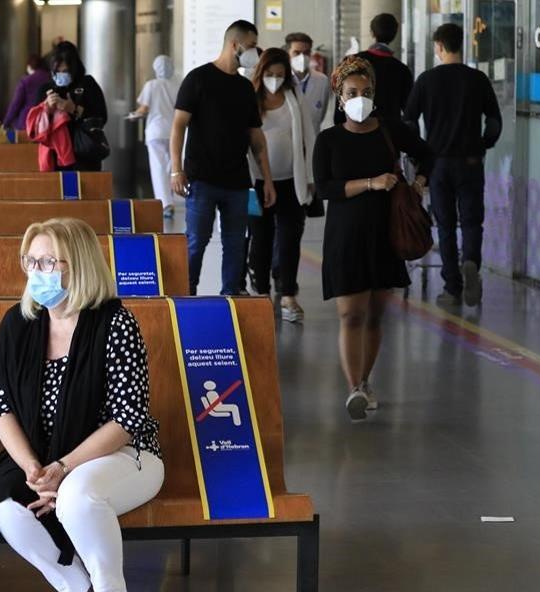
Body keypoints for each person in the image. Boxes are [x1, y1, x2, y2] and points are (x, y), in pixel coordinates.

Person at [0, 218, 163, 592]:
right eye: (32, 261)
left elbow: (126, 418)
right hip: (44, 458)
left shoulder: (115, 324)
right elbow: (0, 408)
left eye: (48, 261)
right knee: (8, 507)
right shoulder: (18, 324)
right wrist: (33, 468)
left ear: (77, 265)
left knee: (78, 494)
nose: (37, 271)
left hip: (123, 456)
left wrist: (63, 469)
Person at [313, 56, 432, 420]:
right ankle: (353, 389)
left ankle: (365, 381)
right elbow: (325, 188)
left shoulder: (390, 130)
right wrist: (371, 183)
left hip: (386, 233)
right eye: (351, 92)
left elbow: (426, 153)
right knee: (351, 314)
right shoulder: (329, 140)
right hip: (345, 235)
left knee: (376, 315)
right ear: (339, 96)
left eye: (365, 92)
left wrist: (418, 183)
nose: (359, 98)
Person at [170, 19, 276, 295]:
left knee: (235, 241)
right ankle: (187, 291)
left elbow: (256, 137)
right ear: (235, 44)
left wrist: (267, 179)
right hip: (202, 178)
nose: (255, 52)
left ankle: (231, 294)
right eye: (252, 46)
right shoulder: (198, 79)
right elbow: (178, 125)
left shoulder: (244, 88)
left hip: (237, 181)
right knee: (197, 240)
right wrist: (176, 170)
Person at [404, 23, 502, 308]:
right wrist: (483, 144)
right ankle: (470, 261)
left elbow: (409, 121)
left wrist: (418, 152)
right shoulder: (478, 79)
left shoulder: (426, 80)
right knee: (472, 221)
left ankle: (452, 288)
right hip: (470, 162)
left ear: (439, 46)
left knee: (445, 225)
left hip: (438, 164)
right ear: (463, 44)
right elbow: (495, 121)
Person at [246, 48, 315, 323]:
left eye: (279, 75)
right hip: (258, 182)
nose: (274, 79)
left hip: (291, 181)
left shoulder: (294, 98)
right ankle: (261, 292)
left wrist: (310, 179)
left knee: (289, 239)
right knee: (259, 240)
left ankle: (288, 293)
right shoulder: (250, 99)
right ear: (260, 73)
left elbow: (309, 135)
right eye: (269, 74)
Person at [33, 41, 108, 171]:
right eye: (58, 71)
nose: (61, 75)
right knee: (57, 190)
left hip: (84, 155)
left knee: (82, 190)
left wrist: (74, 109)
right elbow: (35, 127)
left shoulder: (88, 85)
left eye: (66, 71)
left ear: (75, 68)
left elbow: (101, 117)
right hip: (55, 158)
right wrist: (47, 111)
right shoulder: (45, 90)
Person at [332, 13, 413, 125]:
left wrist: (339, 127)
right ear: (395, 33)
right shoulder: (402, 70)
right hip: (389, 133)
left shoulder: (352, 62)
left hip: (353, 129)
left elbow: (339, 99)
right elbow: (408, 110)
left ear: (371, 33)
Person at [129, 54, 180, 218]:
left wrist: (132, 115)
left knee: (158, 168)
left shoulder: (151, 85)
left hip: (155, 132)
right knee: (170, 168)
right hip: (173, 132)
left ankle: (165, 204)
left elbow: (143, 109)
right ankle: (171, 199)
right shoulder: (177, 85)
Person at [285, 32, 333, 131]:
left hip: (312, 139)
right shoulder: (282, 79)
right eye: (297, 53)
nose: (302, 57)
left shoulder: (322, 81)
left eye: (306, 53)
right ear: (288, 54)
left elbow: (321, 116)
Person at [5, 55, 50, 133]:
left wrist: (6, 122)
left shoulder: (26, 81)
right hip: (47, 121)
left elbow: (15, 104)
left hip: (27, 121)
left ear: (29, 66)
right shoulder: (51, 78)